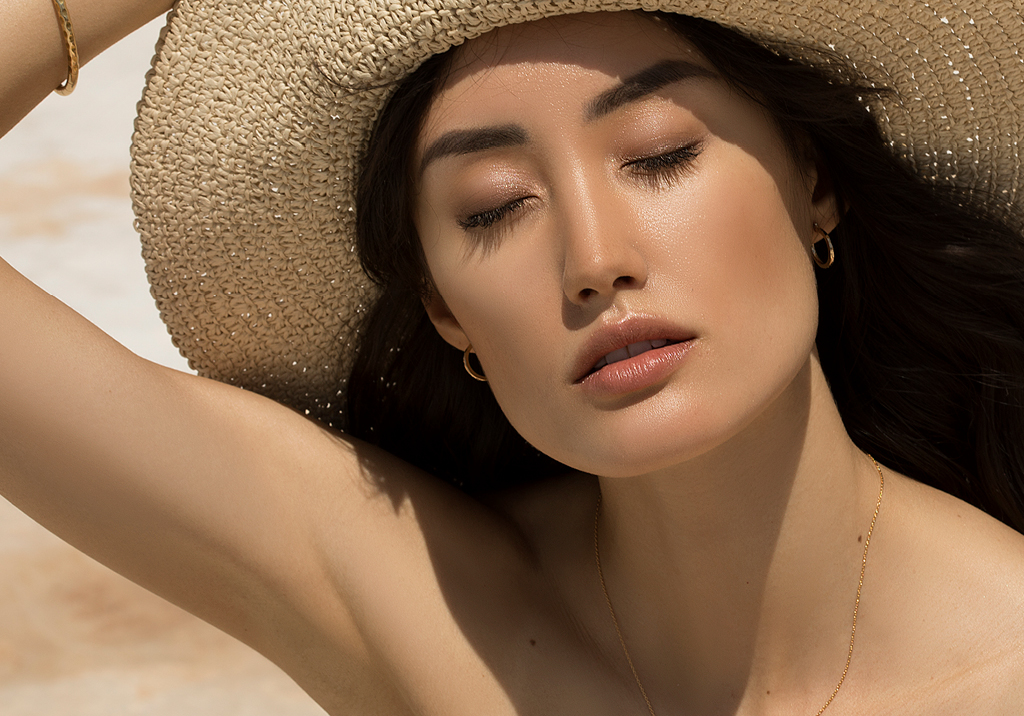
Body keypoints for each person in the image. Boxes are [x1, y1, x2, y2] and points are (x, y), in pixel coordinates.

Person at [2, 0, 1024, 714]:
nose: (594, 258)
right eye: (493, 207)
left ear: (812, 183)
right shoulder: (421, 602)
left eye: (660, 154)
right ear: (446, 312)